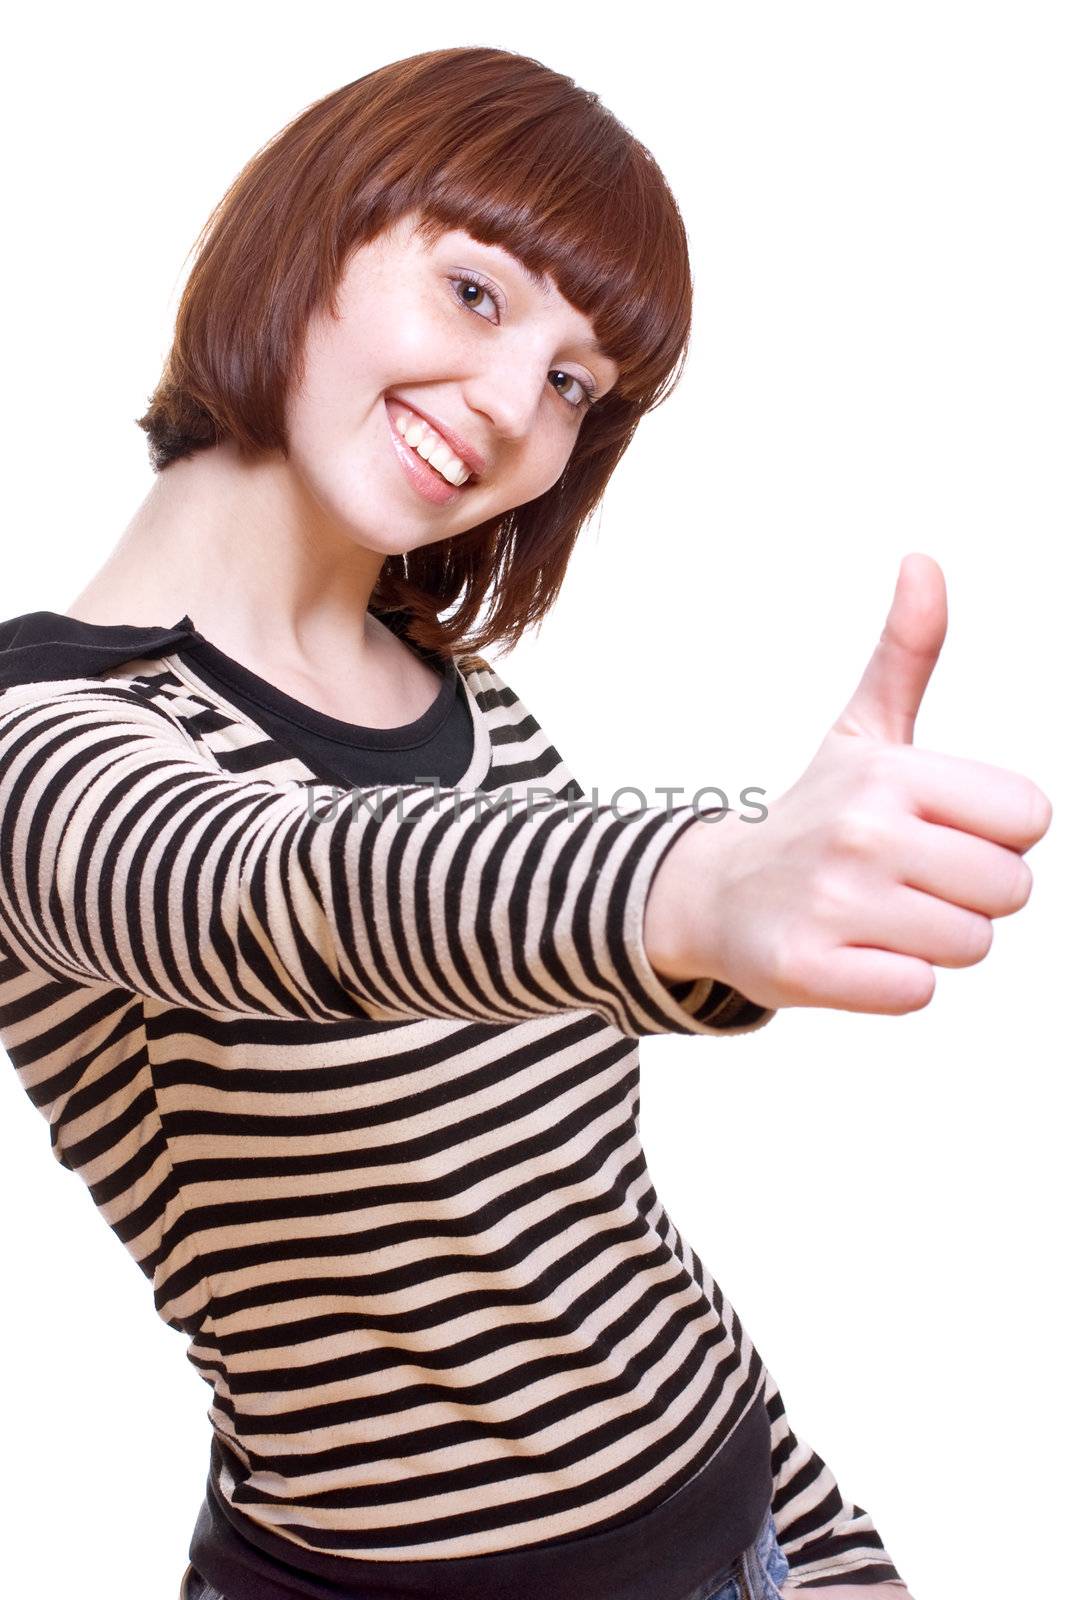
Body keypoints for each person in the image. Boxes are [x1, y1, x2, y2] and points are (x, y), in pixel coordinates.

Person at [0, 45, 1048, 1600]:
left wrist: (825, 1548)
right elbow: (287, 889)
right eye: (476, 294)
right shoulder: (45, 751)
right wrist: (698, 886)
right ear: (309, 233)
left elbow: (588, 1233)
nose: (508, 409)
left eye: (572, 385)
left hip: (744, 1521)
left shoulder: (463, 699)